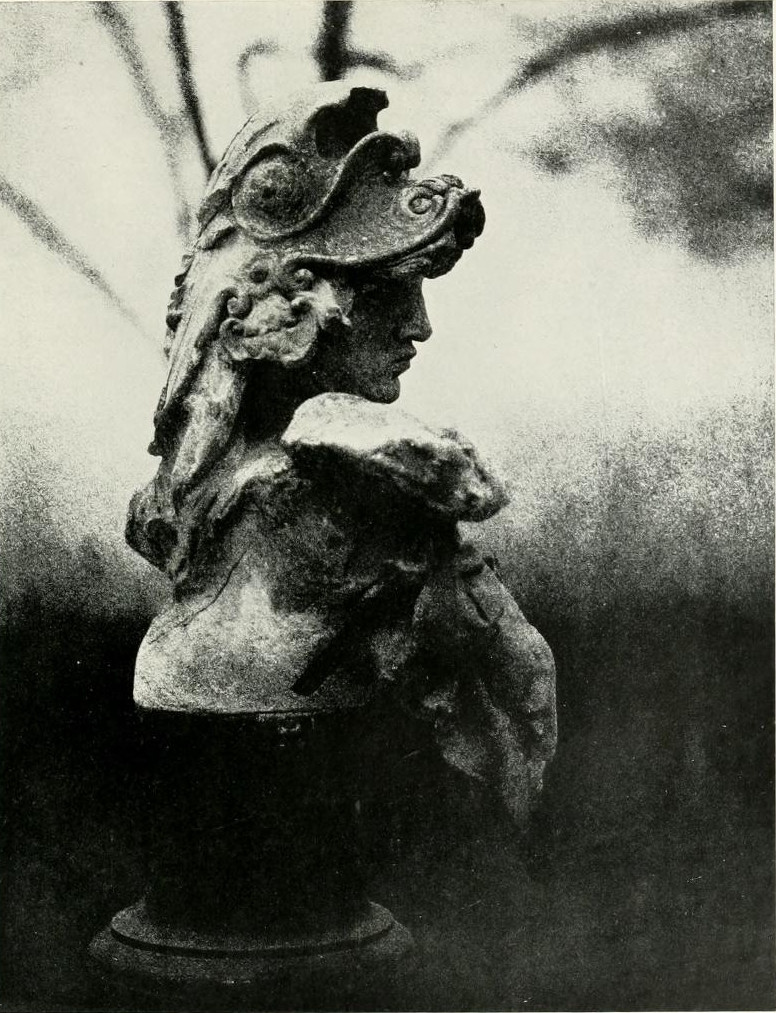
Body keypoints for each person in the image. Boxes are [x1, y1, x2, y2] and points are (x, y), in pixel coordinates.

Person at [126, 82, 555, 822]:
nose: (419, 325)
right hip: (255, 749)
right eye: (387, 295)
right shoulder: (338, 458)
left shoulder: (250, 477)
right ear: (292, 309)